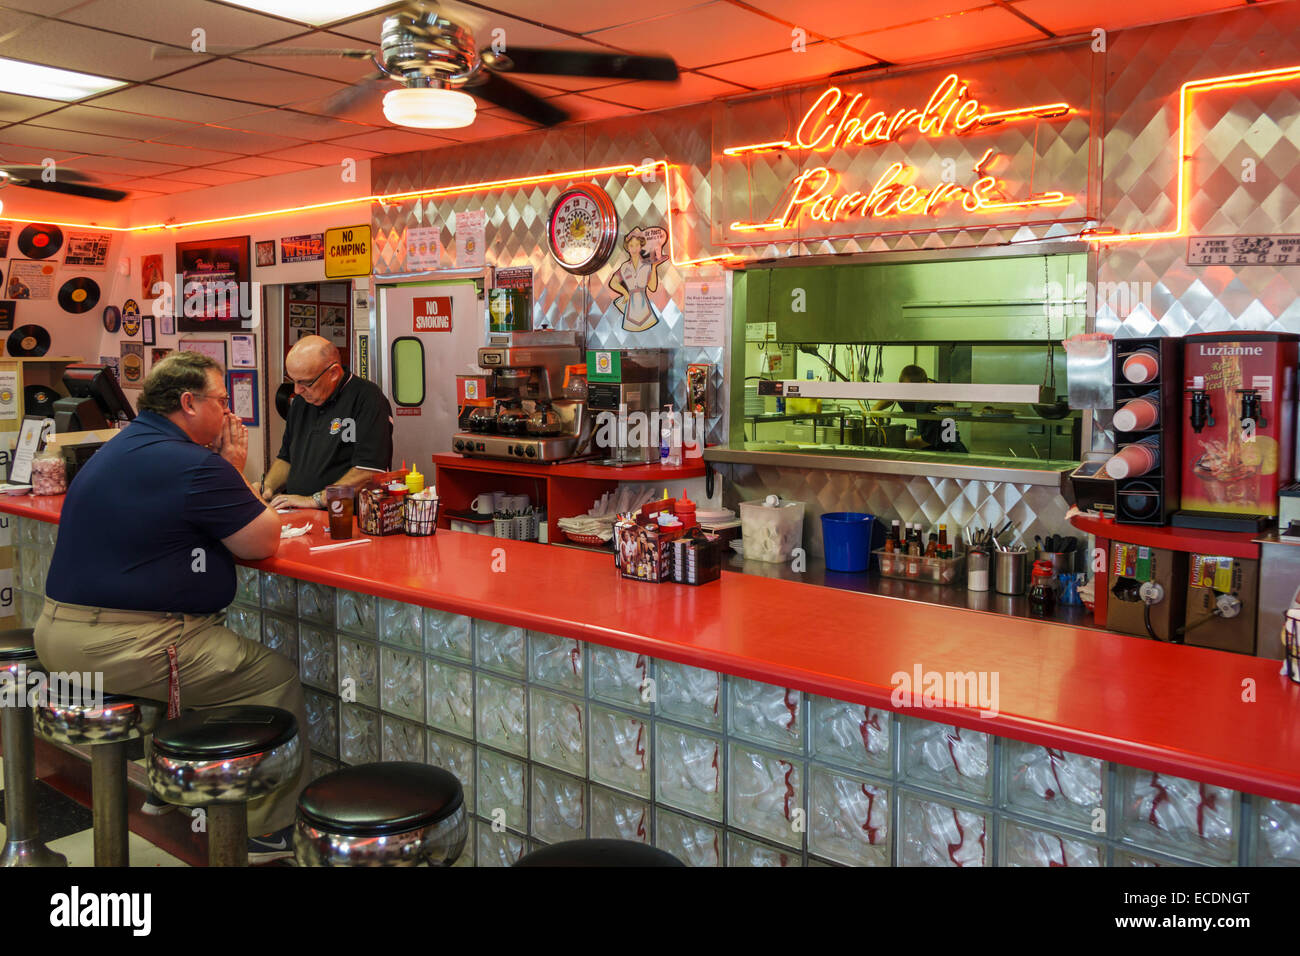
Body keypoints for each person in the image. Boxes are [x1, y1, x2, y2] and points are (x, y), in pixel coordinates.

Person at [34, 351, 308, 863]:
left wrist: (223, 473)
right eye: (223, 401)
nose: (231, 414)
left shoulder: (121, 446)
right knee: (272, 676)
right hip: (118, 643)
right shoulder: (193, 463)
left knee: (199, 652)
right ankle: (267, 830)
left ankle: (170, 788)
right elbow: (262, 540)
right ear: (188, 402)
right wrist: (232, 468)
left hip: (58, 632)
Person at [261, 335, 394, 510]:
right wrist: (266, 490)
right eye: (292, 380)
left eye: (305, 382)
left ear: (333, 373)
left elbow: (369, 471)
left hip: (344, 519)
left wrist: (314, 500)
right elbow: (286, 458)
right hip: (299, 514)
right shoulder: (301, 401)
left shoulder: (368, 399)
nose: (296, 390)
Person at [871, 364, 969, 453]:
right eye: (906, 392)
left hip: (949, 453)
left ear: (925, 384)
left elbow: (923, 441)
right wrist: (872, 412)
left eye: (913, 392)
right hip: (931, 452)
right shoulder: (913, 390)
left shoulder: (939, 402)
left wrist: (893, 445)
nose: (909, 397)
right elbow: (892, 397)